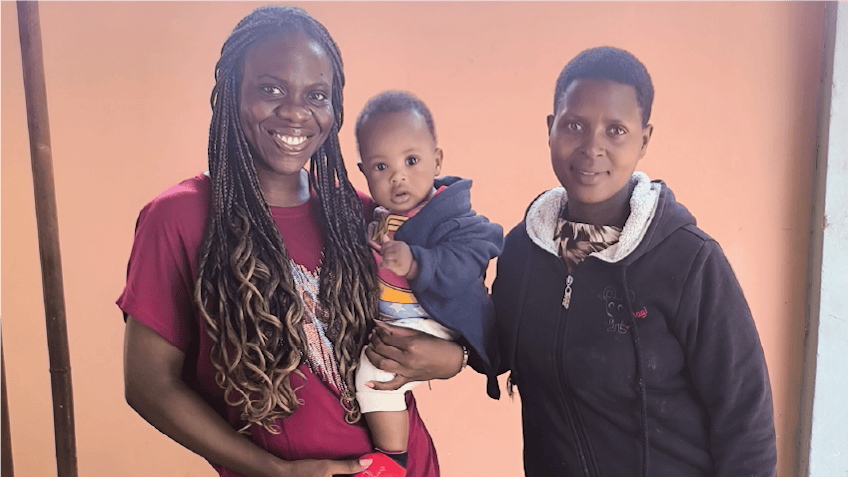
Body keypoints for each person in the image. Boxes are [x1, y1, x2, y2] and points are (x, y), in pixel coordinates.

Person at [118, 6, 460, 477]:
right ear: (230, 93)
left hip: (406, 467)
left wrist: (453, 358)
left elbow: (451, 302)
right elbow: (149, 384)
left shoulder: (360, 213)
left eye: (316, 94)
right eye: (271, 88)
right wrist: (273, 470)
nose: (296, 111)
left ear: (334, 108)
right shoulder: (179, 218)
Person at [490, 47, 777, 476]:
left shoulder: (690, 263)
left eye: (616, 130)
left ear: (644, 140)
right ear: (550, 129)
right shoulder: (525, 252)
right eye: (574, 125)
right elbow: (496, 345)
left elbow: (746, 423)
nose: (592, 148)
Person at [351, 91, 503, 475]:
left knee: (373, 373)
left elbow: (474, 254)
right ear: (363, 173)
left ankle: (392, 460)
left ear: (437, 160)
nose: (398, 176)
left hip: (434, 319)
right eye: (381, 167)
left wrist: (418, 262)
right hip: (396, 315)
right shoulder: (377, 217)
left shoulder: (449, 213)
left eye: (412, 161)